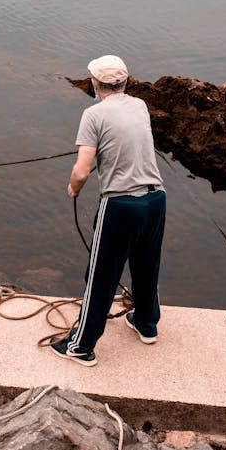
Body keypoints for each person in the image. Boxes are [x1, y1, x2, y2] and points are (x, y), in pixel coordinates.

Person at [51, 54, 166, 367]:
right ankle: (146, 323)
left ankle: (81, 346)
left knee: (101, 276)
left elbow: (81, 170)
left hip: (121, 205)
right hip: (156, 200)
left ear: (93, 84)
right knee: (146, 265)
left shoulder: (93, 115)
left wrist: (74, 188)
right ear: (126, 83)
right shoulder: (140, 106)